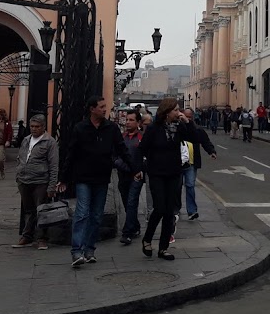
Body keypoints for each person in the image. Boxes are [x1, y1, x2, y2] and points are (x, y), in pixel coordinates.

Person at [58, 96, 136, 267]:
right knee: (82, 213)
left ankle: (89, 249)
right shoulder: (81, 128)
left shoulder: (111, 128)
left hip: (101, 177)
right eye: (101, 107)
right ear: (92, 109)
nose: (104, 109)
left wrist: (134, 168)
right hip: (83, 177)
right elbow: (71, 153)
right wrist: (63, 177)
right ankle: (76, 251)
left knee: (96, 216)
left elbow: (121, 149)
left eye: (105, 106)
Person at [140, 99, 211, 260]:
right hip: (157, 173)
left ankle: (163, 248)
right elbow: (142, 149)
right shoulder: (153, 128)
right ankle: (147, 238)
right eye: (176, 110)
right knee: (159, 208)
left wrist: (188, 123)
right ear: (167, 112)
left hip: (174, 173)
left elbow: (195, 137)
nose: (178, 113)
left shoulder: (180, 128)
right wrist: (140, 169)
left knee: (170, 211)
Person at [13, 115, 58, 250]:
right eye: (32, 126)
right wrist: (18, 174)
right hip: (24, 180)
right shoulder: (26, 140)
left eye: (37, 127)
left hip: (40, 181)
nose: (34, 129)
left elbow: (54, 165)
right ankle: (27, 236)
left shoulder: (49, 142)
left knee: (41, 210)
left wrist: (52, 186)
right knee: (29, 210)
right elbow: (21, 157)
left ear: (43, 127)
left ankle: (41, 238)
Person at [181, 108, 217, 221]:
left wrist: (211, 151)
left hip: (191, 163)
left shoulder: (197, 129)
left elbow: (205, 141)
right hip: (177, 162)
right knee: (176, 187)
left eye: (189, 116)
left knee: (190, 185)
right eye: (185, 116)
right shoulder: (177, 128)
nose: (187, 118)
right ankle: (175, 210)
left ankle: (192, 211)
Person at [117, 110, 145, 244]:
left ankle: (126, 233)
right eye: (127, 120)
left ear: (138, 122)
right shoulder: (122, 138)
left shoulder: (142, 138)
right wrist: (123, 166)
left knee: (131, 202)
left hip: (137, 177)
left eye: (131, 120)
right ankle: (135, 226)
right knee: (126, 203)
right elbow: (115, 156)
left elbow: (147, 158)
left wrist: (140, 170)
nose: (128, 122)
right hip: (123, 175)